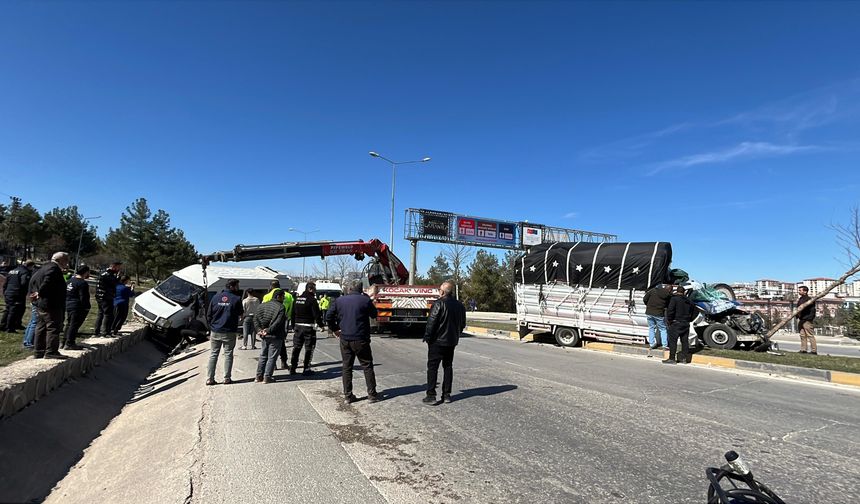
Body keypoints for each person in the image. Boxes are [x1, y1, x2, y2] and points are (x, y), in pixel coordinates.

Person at [326, 280, 380, 403]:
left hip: (345, 338)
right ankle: (372, 395)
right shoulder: (365, 300)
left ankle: (348, 396)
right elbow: (374, 314)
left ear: (349, 289)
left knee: (346, 367)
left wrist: (335, 329)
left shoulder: (339, 300)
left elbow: (328, 316)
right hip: (361, 338)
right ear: (361, 289)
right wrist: (368, 300)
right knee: (367, 366)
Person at [422, 281, 466, 405]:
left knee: (432, 368)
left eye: (439, 289)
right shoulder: (460, 306)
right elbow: (462, 325)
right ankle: (446, 395)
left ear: (442, 291)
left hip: (437, 342)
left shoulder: (438, 304)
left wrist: (428, 337)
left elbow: (431, 323)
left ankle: (431, 395)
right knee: (448, 367)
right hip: (451, 342)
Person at [28, 252, 70, 359]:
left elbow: (33, 280)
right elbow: (47, 282)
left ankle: (38, 351)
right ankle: (51, 352)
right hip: (51, 304)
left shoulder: (44, 267)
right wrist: (40, 292)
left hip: (42, 304)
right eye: (66, 260)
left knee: (41, 327)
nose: (67, 263)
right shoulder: (53, 269)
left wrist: (34, 292)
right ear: (60, 260)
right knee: (53, 327)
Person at [206, 278, 243, 385]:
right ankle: (226, 378)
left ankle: (210, 379)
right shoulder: (236, 299)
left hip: (215, 331)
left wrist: (212, 326)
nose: (238, 288)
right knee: (228, 354)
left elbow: (209, 315)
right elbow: (241, 314)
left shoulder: (215, 297)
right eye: (237, 286)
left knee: (213, 354)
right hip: (229, 331)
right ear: (232, 286)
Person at [290, 281, 324, 376]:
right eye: (314, 289)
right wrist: (321, 325)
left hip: (297, 326)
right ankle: (306, 368)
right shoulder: (312, 300)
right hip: (308, 327)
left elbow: (292, 314)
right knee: (309, 348)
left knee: (296, 347)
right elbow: (316, 315)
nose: (315, 291)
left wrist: (293, 326)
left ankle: (293, 367)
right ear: (310, 289)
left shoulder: (297, 299)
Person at [254, 289, 287, 383]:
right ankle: (267, 377)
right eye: (282, 296)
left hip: (264, 335)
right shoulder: (281, 307)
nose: (284, 298)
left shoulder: (262, 305)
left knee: (263, 355)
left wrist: (259, 330)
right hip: (275, 335)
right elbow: (278, 322)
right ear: (278, 297)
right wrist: (268, 331)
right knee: (272, 357)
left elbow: (255, 318)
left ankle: (258, 376)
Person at [262, 280, 295, 368]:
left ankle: (273, 364)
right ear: (279, 286)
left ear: (270, 287)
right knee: (281, 341)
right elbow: (291, 309)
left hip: (270, 321)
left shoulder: (267, 296)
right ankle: (284, 362)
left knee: (270, 343)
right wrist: (287, 317)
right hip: (284, 321)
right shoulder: (288, 296)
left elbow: (264, 309)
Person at [663, 286, 697, 364]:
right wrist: (689, 319)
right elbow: (695, 312)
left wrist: (670, 320)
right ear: (684, 292)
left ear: (677, 291)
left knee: (673, 341)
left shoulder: (674, 299)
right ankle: (684, 358)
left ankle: (672, 358)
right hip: (685, 323)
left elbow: (670, 310)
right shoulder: (689, 301)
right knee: (684, 341)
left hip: (676, 323)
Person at [1, 259, 34, 332]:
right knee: (13, 310)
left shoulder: (12, 271)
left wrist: (5, 291)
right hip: (17, 293)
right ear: (30, 266)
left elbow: (6, 282)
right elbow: (24, 283)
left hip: (9, 292)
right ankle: (10, 327)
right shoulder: (25, 272)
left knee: (8, 309)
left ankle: (4, 325)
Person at [63, 265, 92, 350]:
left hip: (68, 304)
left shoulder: (70, 281)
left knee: (69, 324)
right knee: (74, 325)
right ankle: (70, 343)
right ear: (86, 272)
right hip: (77, 306)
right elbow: (83, 297)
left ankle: (64, 341)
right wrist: (86, 307)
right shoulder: (82, 283)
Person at [94, 261, 122, 337]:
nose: (119, 269)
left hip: (100, 296)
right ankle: (105, 332)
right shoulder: (108, 274)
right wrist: (118, 277)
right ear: (113, 266)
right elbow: (113, 283)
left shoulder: (103, 272)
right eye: (118, 268)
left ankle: (97, 331)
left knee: (100, 314)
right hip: (105, 297)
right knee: (108, 314)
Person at [643, 284, 673, 349]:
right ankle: (664, 345)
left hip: (649, 312)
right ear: (670, 290)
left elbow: (645, 299)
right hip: (659, 313)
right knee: (663, 329)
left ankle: (652, 344)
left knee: (651, 328)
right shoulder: (668, 295)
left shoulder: (652, 290)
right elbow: (668, 305)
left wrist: (648, 305)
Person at [796, 286, 817, 355]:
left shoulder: (809, 299)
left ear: (805, 291)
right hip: (801, 319)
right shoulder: (800, 299)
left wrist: (810, 318)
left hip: (807, 320)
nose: (799, 291)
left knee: (810, 335)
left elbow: (813, 310)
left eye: (800, 290)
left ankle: (814, 351)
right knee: (802, 335)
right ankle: (803, 349)